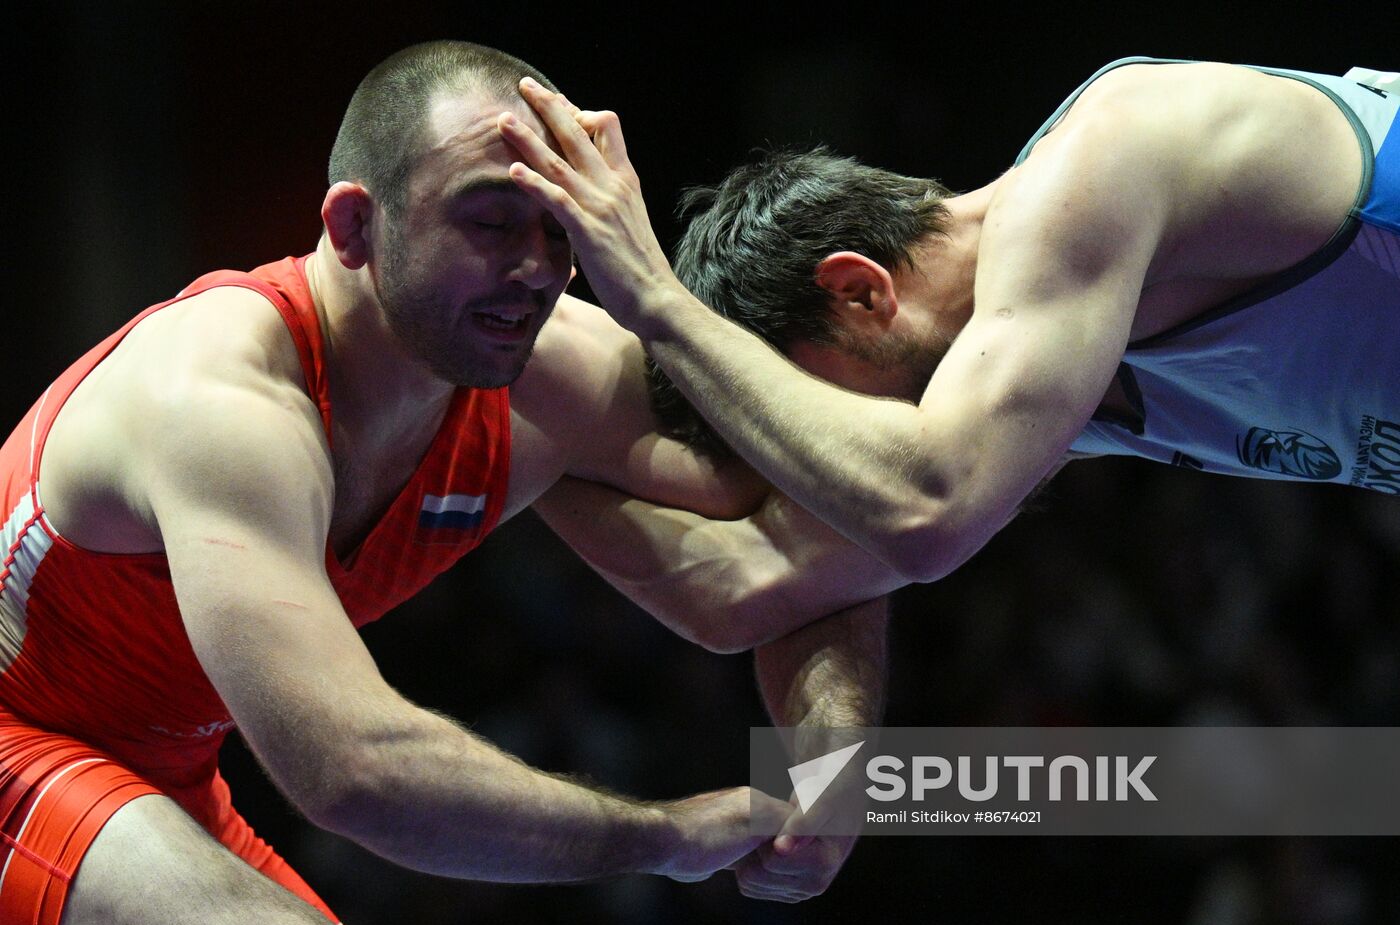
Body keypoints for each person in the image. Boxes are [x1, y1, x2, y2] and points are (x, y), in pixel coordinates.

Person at [0, 41, 894, 925]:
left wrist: (831, 760)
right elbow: (353, 769)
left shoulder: (552, 375)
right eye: (492, 222)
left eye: (562, 228)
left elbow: (828, 519)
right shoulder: (218, 398)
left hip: (160, 781)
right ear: (354, 227)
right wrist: (664, 833)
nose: (539, 270)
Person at [500, 58, 1398, 591]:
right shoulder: (1053, 378)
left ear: (859, 292)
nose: (852, 439)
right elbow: (754, 583)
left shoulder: (1110, 159)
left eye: (828, 401)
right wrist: (533, 429)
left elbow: (928, 507)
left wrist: (656, 305)